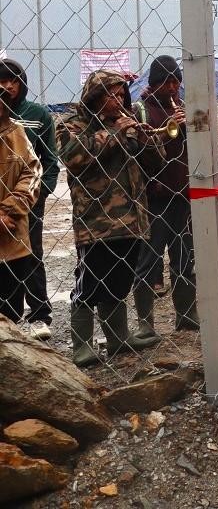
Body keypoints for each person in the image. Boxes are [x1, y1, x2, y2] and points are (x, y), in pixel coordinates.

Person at [58, 69, 162, 366]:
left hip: (132, 219)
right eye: (110, 95)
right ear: (95, 97)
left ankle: (118, 338)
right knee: (90, 284)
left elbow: (156, 163)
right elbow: (74, 156)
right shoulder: (73, 124)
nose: (118, 100)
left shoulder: (127, 122)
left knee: (120, 282)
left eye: (121, 94)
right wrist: (115, 133)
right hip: (97, 222)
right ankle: (82, 345)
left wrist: (144, 137)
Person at [132, 55, 197, 336]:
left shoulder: (184, 108)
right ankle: (146, 323)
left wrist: (188, 128)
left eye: (176, 82)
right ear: (155, 82)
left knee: (184, 258)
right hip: (155, 198)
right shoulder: (140, 110)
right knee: (149, 259)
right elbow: (137, 150)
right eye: (167, 82)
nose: (173, 88)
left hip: (182, 195)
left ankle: (186, 314)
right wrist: (167, 130)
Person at [0, 59, 59, 340]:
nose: (8, 86)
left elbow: (46, 161)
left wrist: (37, 195)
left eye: (13, 80)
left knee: (31, 254)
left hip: (28, 199)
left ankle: (38, 315)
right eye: (3, 81)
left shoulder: (36, 115)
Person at [0, 90, 42, 324]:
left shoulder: (16, 132)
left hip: (13, 236)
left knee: (11, 313)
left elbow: (32, 172)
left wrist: (9, 210)